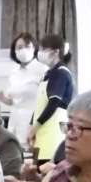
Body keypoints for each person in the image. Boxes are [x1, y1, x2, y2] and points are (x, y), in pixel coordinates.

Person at [29, 33, 75, 163]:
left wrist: (35, 126)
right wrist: (31, 126)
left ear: (55, 52)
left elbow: (53, 102)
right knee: (37, 167)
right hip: (42, 130)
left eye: (43, 49)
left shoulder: (61, 73)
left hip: (53, 131)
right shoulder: (48, 74)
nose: (40, 52)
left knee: (49, 167)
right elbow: (40, 104)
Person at [0, 31, 47, 137]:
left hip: (33, 121)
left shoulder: (42, 69)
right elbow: (14, 101)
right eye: (19, 47)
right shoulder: (14, 71)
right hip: (15, 120)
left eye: (27, 46)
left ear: (34, 48)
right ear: (14, 51)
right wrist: (3, 99)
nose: (23, 50)